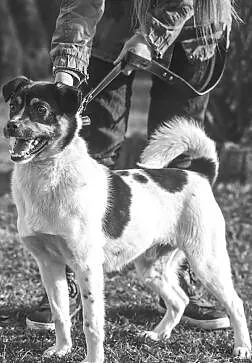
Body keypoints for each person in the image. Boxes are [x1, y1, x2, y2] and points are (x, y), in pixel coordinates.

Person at [26, 0, 234, 331]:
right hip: (112, 30)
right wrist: (66, 69)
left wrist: (152, 35)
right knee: (95, 147)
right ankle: (69, 266)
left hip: (193, 28)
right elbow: (80, 4)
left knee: (178, 159)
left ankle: (179, 273)